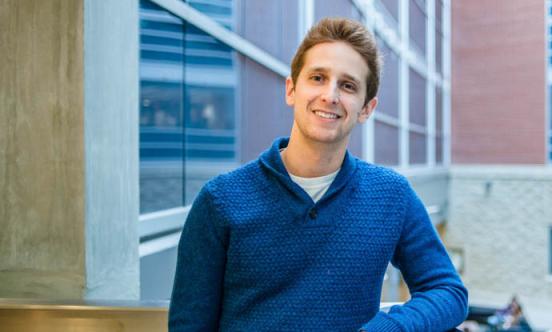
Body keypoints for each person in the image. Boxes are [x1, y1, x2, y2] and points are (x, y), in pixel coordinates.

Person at [168, 17, 468, 331]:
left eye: (348, 85)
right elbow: (189, 325)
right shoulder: (220, 200)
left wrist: (388, 328)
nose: (330, 95)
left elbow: (448, 291)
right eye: (318, 78)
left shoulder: (391, 195)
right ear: (291, 89)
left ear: (367, 108)